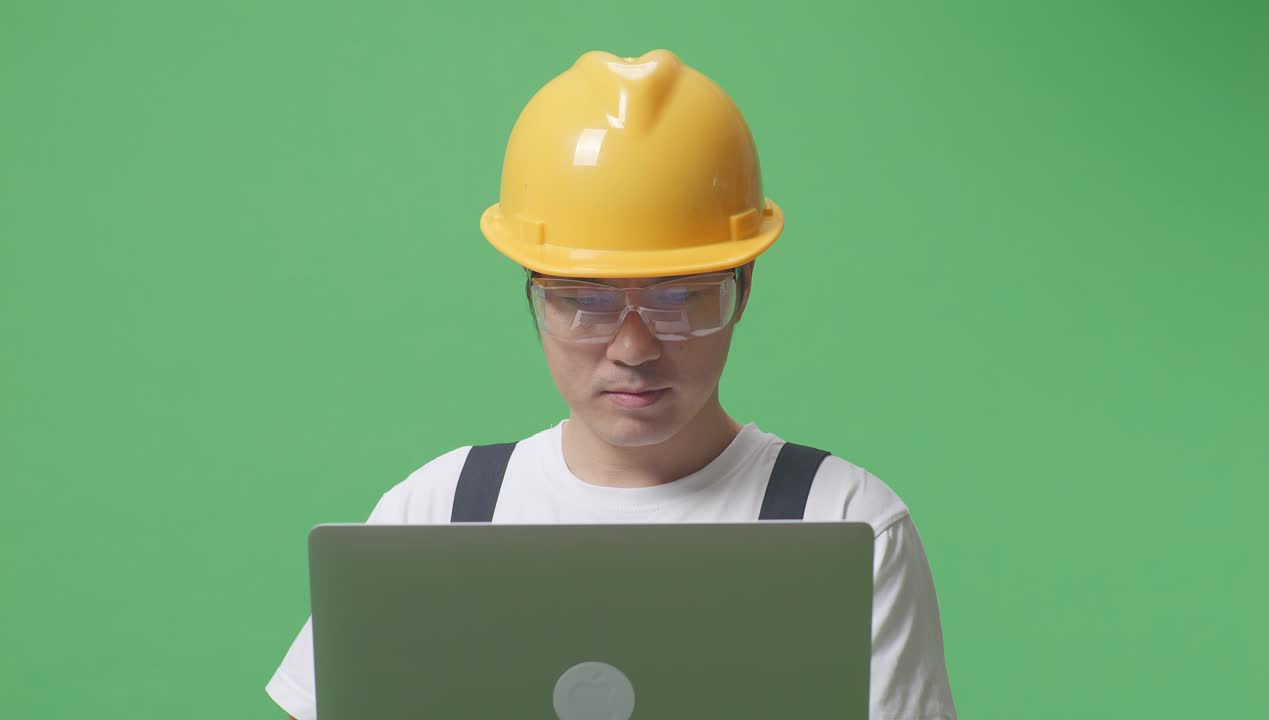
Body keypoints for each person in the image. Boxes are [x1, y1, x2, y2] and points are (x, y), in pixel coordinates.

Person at [266, 48, 957, 720]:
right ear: (535, 298)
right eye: (584, 300)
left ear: (742, 291)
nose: (632, 347)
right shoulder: (435, 514)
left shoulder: (845, 524)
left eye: (680, 297)